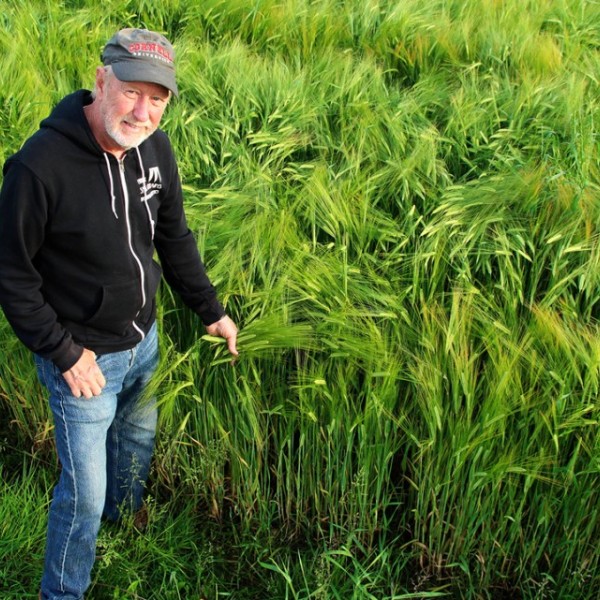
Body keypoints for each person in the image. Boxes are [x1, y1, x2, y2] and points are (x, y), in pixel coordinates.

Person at [0, 28, 238, 599]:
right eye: (132, 91)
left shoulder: (154, 149)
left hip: (144, 341)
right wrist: (64, 354)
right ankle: (63, 592)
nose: (143, 111)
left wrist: (210, 311)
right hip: (84, 363)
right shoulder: (40, 167)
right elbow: (12, 274)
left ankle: (123, 526)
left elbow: (173, 236)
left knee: (135, 442)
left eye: (158, 99)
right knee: (82, 494)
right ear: (102, 80)